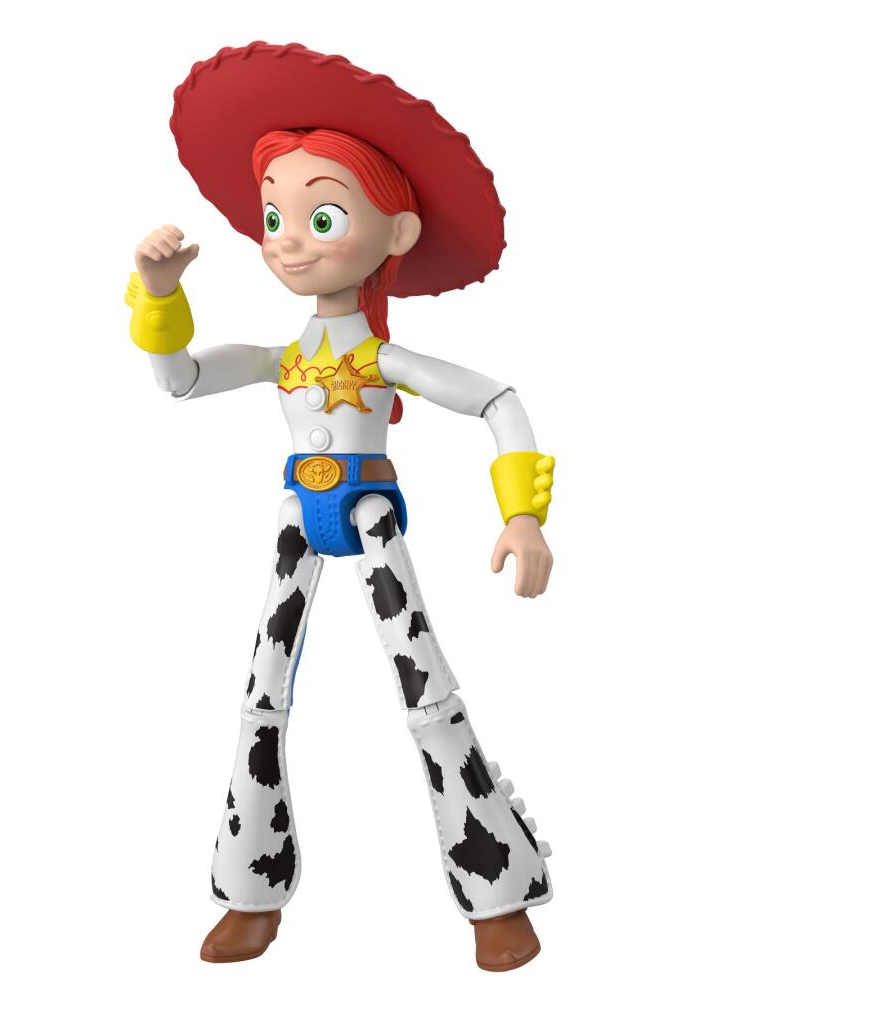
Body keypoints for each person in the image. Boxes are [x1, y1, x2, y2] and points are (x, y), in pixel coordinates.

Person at [124, 42, 556, 972]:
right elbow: (182, 379)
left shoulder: (377, 359)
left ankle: (496, 890)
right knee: (261, 691)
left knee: (424, 684)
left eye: (321, 216)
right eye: (275, 216)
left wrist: (523, 513)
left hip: (371, 512)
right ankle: (250, 887)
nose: (288, 239)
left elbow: (495, 398)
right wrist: (158, 297)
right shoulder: (285, 359)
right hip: (299, 514)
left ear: (395, 235)